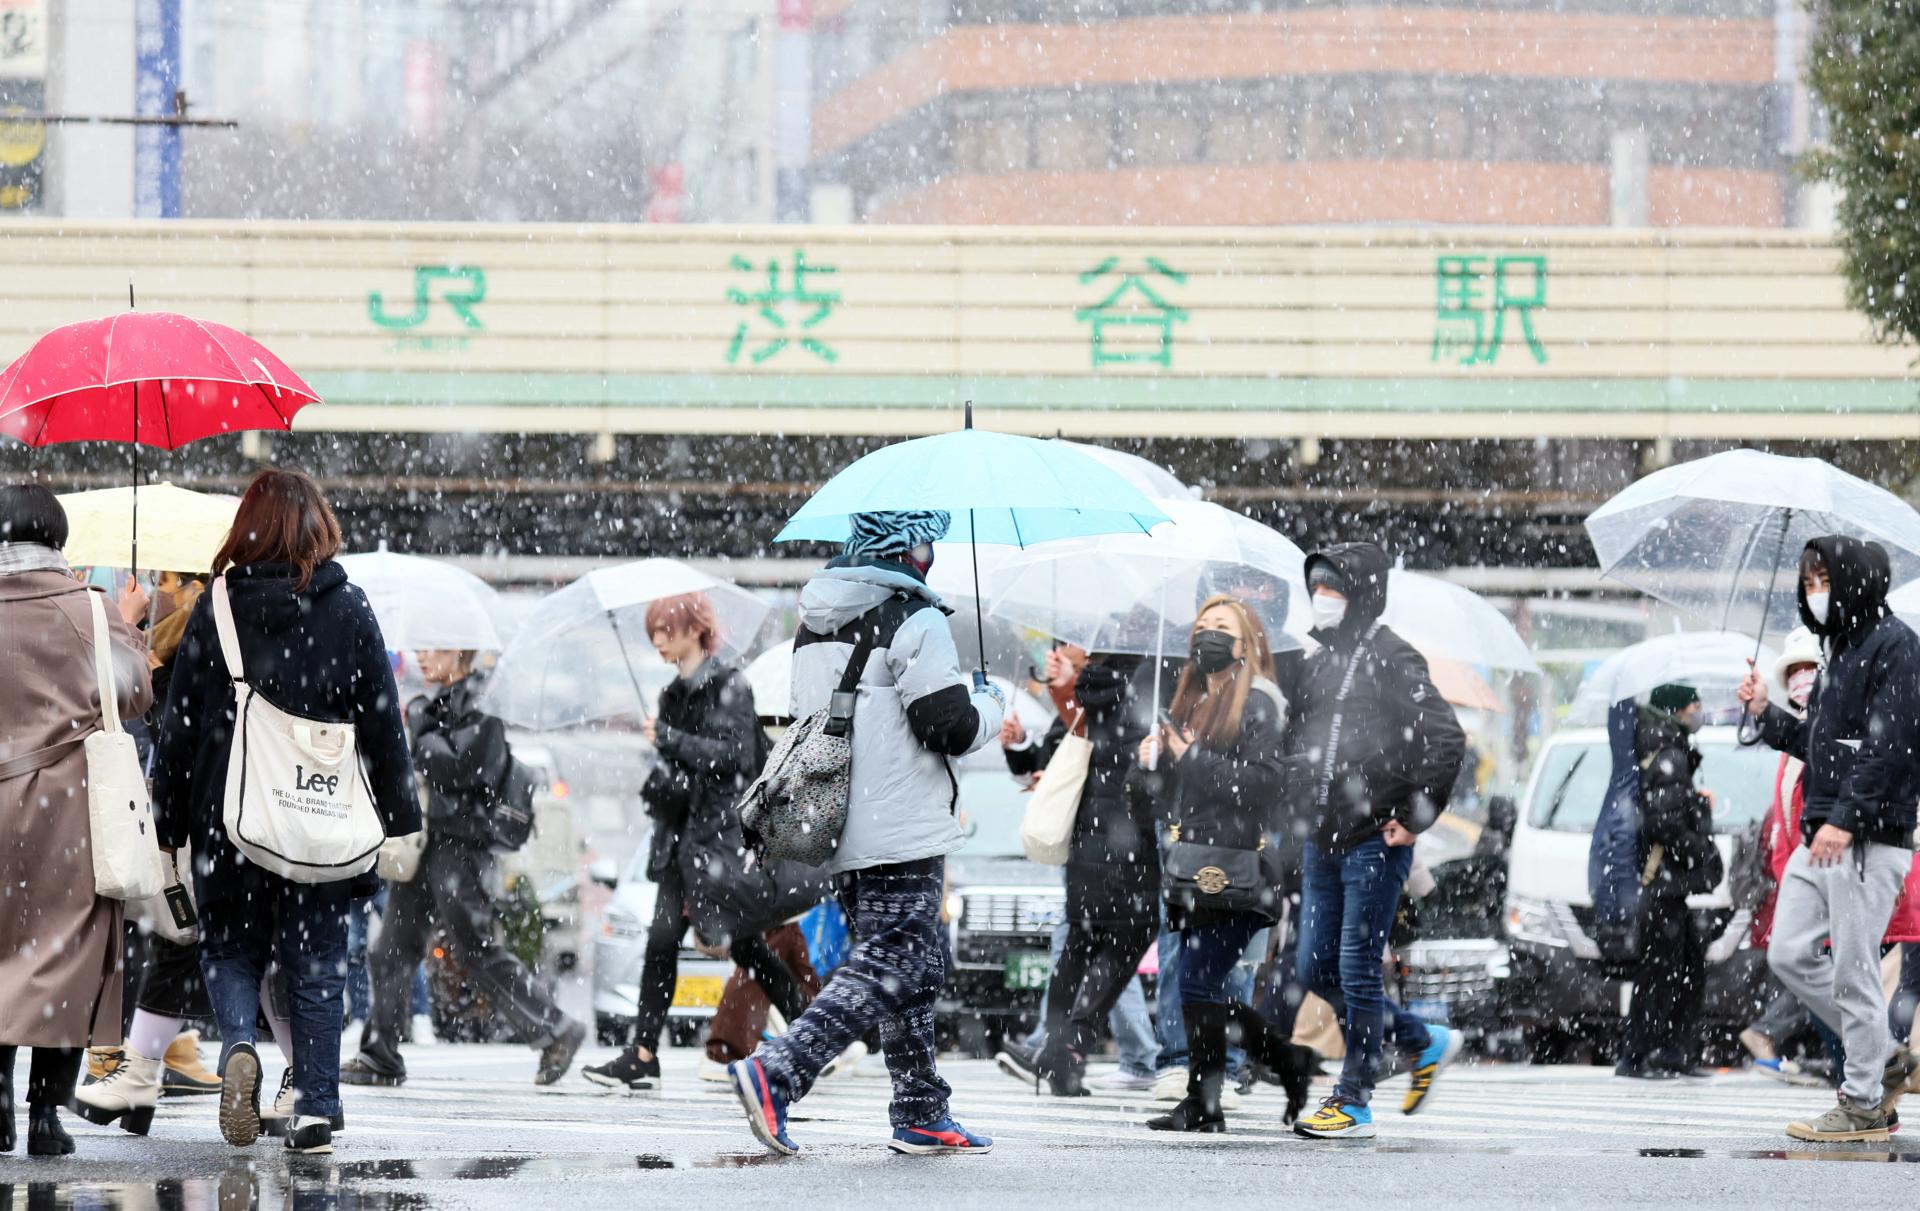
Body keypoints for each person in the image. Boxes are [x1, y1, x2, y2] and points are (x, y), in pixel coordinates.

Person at [152, 469, 421, 1155]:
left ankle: (240, 1041)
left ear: (248, 527)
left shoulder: (218, 608)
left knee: (231, 949)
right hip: (320, 817)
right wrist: (401, 817)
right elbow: (384, 723)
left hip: (230, 815)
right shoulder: (349, 606)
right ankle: (315, 1109)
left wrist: (170, 821)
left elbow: (179, 727)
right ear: (318, 527)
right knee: (318, 960)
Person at [728, 509, 1005, 1157]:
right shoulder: (915, 617)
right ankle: (779, 1070)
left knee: (909, 961)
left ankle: (920, 1107)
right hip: (901, 822)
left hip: (838, 824)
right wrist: (990, 705)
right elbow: (948, 725)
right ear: (911, 544)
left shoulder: (818, 618)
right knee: (899, 957)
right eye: (926, 540)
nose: (930, 553)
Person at [582, 591, 814, 1093]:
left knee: (748, 948)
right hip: (678, 844)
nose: (659, 641)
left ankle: (812, 1031)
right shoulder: (670, 696)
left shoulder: (729, 684)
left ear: (694, 629)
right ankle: (644, 1053)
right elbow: (681, 770)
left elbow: (732, 758)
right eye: (653, 633)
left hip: (717, 844)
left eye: (666, 630)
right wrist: (662, 767)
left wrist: (670, 739)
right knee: (663, 941)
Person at [1739, 535, 1920, 1143]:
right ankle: (1883, 1054)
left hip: (1864, 837)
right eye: (1809, 580)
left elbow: (1891, 747)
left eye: (1824, 579)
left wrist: (1848, 818)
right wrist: (1766, 713)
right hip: (1823, 836)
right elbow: (1818, 744)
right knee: (1788, 952)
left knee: (1853, 970)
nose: (1815, 591)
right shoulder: (1837, 650)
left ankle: (1865, 1103)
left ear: (1855, 581)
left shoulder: (1897, 648)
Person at [342, 646, 586, 1091]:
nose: (421, 654)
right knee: (392, 949)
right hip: (426, 843)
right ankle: (380, 1053)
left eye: (431, 645)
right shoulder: (435, 703)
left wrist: (418, 729)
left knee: (475, 947)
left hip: (460, 848)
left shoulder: (482, 706)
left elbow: (461, 768)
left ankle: (555, 1029)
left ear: (459, 650)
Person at [1287, 544, 1466, 1141]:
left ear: (1361, 591)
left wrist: (1416, 816)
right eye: (1316, 586)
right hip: (1321, 840)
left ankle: (1354, 1097)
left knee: (1357, 969)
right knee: (1315, 964)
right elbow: (1300, 744)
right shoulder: (1316, 662)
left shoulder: (1394, 657)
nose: (1322, 598)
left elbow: (1445, 736)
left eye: (1333, 586)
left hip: (1374, 840)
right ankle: (1420, 1040)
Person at [0, 485, 154, 1155]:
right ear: (58, 539)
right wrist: (129, 622)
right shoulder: (92, 611)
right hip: (72, 819)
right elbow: (136, 695)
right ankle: (43, 1114)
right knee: (64, 958)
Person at [1138, 596, 1307, 1132]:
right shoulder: (1192, 701)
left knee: (1199, 982)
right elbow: (1170, 797)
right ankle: (1215, 1094)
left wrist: (1191, 757)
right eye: (1202, 626)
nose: (1207, 635)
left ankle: (1268, 1067)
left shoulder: (1257, 700)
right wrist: (1155, 764)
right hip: (1194, 865)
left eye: (1221, 628)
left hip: (1237, 869)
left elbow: (1262, 784)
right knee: (1197, 983)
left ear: (1245, 645)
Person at [993, 645, 1159, 1097]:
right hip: (1127, 847)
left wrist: (1030, 741)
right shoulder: (1141, 697)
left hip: (1087, 846)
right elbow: (1143, 786)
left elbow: (1052, 759)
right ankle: (1066, 1046)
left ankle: (1061, 1056)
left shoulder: (1088, 702)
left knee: (1079, 948)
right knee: (1123, 939)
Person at [1613, 683, 1721, 1079]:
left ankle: (1674, 1050)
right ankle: (1638, 1055)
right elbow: (1662, 821)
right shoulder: (1669, 752)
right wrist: (1703, 849)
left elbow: (1665, 808)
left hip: (1665, 884)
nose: (1700, 712)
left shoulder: (1662, 748)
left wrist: (1694, 803)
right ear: (1676, 710)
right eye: (1695, 704)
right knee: (1661, 972)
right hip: (1663, 883)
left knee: (1687, 965)